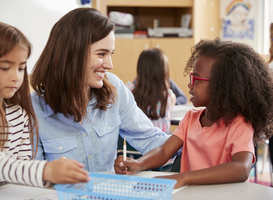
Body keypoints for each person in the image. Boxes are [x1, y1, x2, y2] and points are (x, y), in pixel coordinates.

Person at [114, 37, 273, 189]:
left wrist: (185, 177)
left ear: (222, 87)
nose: (190, 85)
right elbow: (164, 150)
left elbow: (241, 168)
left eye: (196, 79)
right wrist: (140, 163)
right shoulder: (190, 118)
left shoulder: (240, 125)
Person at [30, 8, 169, 172]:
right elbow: (33, 180)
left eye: (111, 54)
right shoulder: (32, 109)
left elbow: (150, 138)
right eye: (101, 54)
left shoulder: (114, 88)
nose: (109, 65)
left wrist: (193, 139)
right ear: (73, 54)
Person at [0, 22, 90, 187]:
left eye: (21, 68)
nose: (16, 77)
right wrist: (46, 170)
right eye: (5, 67)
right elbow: (2, 165)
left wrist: (50, 180)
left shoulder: (18, 114)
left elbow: (23, 167)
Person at [127, 48, 176, 134]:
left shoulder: (129, 92)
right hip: (162, 145)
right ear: (164, 72)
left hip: (135, 145)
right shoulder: (169, 97)